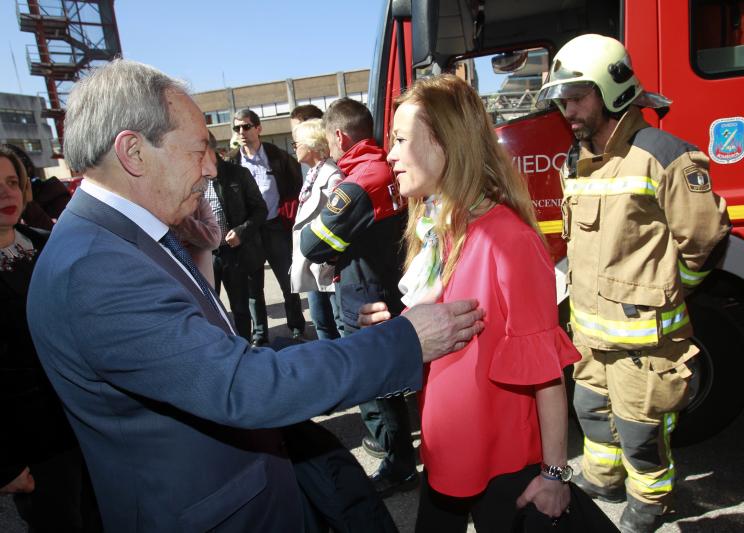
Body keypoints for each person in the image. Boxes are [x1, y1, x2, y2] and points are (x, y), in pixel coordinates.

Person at [26, 58, 484, 533]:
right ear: (133, 152)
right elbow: (245, 386)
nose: (210, 168)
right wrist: (407, 340)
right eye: (200, 149)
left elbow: (212, 354)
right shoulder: (95, 268)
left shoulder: (119, 240)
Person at [359, 74, 580, 532]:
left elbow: (546, 373)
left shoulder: (508, 239)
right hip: (448, 453)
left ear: (444, 143)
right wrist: (398, 331)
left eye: (401, 140)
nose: (391, 155)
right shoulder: (439, 229)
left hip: (503, 467)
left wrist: (555, 476)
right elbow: (448, 334)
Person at [534, 34, 731, 533]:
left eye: (578, 96)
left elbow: (703, 238)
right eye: (562, 99)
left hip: (644, 340)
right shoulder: (574, 160)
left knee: (643, 431)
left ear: (613, 90)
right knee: (592, 416)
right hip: (591, 338)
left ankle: (650, 502)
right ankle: (602, 480)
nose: (568, 109)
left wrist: (669, 292)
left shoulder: (664, 156)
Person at [301, 98, 418, 497]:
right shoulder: (392, 168)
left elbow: (311, 243)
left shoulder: (358, 183)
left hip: (364, 298)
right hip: (395, 287)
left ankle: (399, 461)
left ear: (339, 136)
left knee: (378, 381)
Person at [0, 145, 99, 532]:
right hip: (29, 445)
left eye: (12, 182)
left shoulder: (48, 242)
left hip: (86, 422)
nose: (6, 193)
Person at [229, 109, 306, 343]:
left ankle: (296, 327)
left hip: (276, 228)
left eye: (246, 126)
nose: (241, 132)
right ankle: (260, 334)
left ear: (258, 129)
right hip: (249, 232)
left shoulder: (277, 156)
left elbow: (297, 184)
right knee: (254, 288)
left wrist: (289, 214)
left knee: (288, 281)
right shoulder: (232, 160)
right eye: (237, 128)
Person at [207, 132, 268, 340]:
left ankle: (244, 348)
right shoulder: (189, 178)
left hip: (234, 253)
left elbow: (260, 210)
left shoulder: (238, 174)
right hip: (205, 254)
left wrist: (242, 231)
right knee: (207, 307)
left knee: (240, 308)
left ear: (209, 148)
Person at [289, 118, 344, 340]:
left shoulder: (332, 175)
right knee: (321, 324)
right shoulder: (312, 174)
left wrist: (328, 261)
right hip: (313, 262)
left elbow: (339, 224)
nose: (294, 148)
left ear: (311, 144)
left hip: (325, 265)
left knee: (337, 323)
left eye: (296, 143)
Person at [172, 195, 220, 284]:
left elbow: (214, 239)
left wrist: (179, 219)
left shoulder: (198, 202)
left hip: (200, 283)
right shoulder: (153, 206)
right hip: (171, 280)